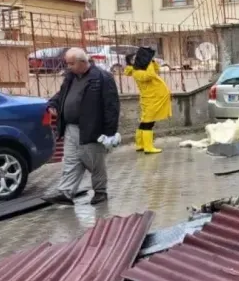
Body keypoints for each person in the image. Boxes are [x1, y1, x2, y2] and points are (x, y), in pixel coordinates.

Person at [44, 47, 121, 206]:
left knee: (94, 162)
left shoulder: (102, 77)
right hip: (70, 127)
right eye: (67, 63)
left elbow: (111, 106)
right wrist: (53, 103)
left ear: (82, 62)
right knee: (71, 160)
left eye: (71, 63)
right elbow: (62, 94)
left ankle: (100, 192)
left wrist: (110, 132)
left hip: (92, 128)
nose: (68, 66)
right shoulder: (70, 77)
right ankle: (66, 192)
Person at [123, 50, 172, 154]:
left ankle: (140, 145)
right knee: (148, 123)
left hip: (153, 98)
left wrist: (152, 62)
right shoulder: (136, 72)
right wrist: (149, 62)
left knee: (145, 122)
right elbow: (150, 76)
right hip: (150, 100)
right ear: (131, 61)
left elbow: (156, 70)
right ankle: (148, 147)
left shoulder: (141, 69)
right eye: (135, 58)